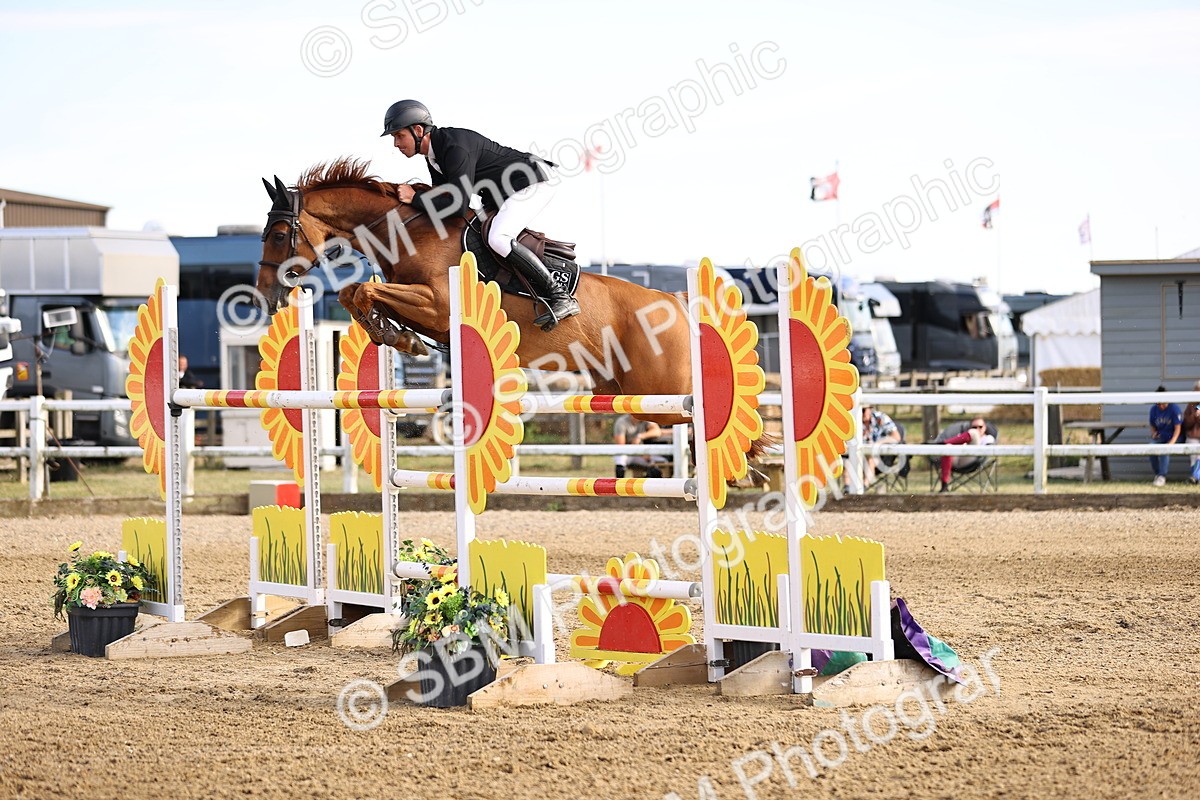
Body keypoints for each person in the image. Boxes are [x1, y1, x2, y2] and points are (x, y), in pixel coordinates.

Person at [380, 99, 580, 331]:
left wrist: (415, 198)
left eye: (398, 135)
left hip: (532, 181)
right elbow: (443, 200)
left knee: (499, 237)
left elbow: (456, 204)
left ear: (417, 130)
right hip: (503, 192)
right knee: (475, 231)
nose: (395, 143)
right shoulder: (433, 157)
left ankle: (560, 296)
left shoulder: (453, 147)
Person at [937, 417, 993, 493]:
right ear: (970, 427)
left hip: (974, 459)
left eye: (980, 427)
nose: (977, 429)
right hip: (957, 457)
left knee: (974, 433)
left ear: (985, 427)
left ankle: (942, 443)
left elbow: (987, 451)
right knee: (947, 448)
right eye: (974, 427)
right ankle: (944, 485)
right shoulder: (964, 435)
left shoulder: (988, 438)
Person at [612, 414, 665, 479]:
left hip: (641, 453)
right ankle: (619, 484)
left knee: (659, 463)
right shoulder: (622, 422)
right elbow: (621, 445)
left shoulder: (645, 418)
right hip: (628, 454)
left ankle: (648, 482)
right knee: (620, 458)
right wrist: (637, 449)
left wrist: (640, 436)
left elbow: (657, 431)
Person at [860, 404, 902, 486]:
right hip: (858, 458)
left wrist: (879, 443)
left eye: (864, 410)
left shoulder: (880, 418)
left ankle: (863, 487)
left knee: (870, 457)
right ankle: (848, 490)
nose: (862, 413)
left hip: (881, 458)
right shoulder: (853, 420)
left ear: (870, 409)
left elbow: (896, 437)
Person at [1149, 385, 1182, 487]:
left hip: (1174, 436)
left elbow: (1178, 428)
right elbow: (1152, 425)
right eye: (1158, 403)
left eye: (1162, 403)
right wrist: (1154, 433)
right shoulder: (1154, 409)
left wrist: (1172, 442)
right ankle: (1158, 474)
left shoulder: (1174, 409)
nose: (1160, 406)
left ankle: (1162, 476)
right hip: (1161, 436)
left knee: (1165, 450)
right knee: (1151, 449)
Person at [1185, 380, 1200, 485]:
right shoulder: (1190, 406)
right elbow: (1186, 424)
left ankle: (1195, 477)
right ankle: (1195, 477)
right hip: (1192, 436)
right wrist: (1193, 416)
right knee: (1194, 455)